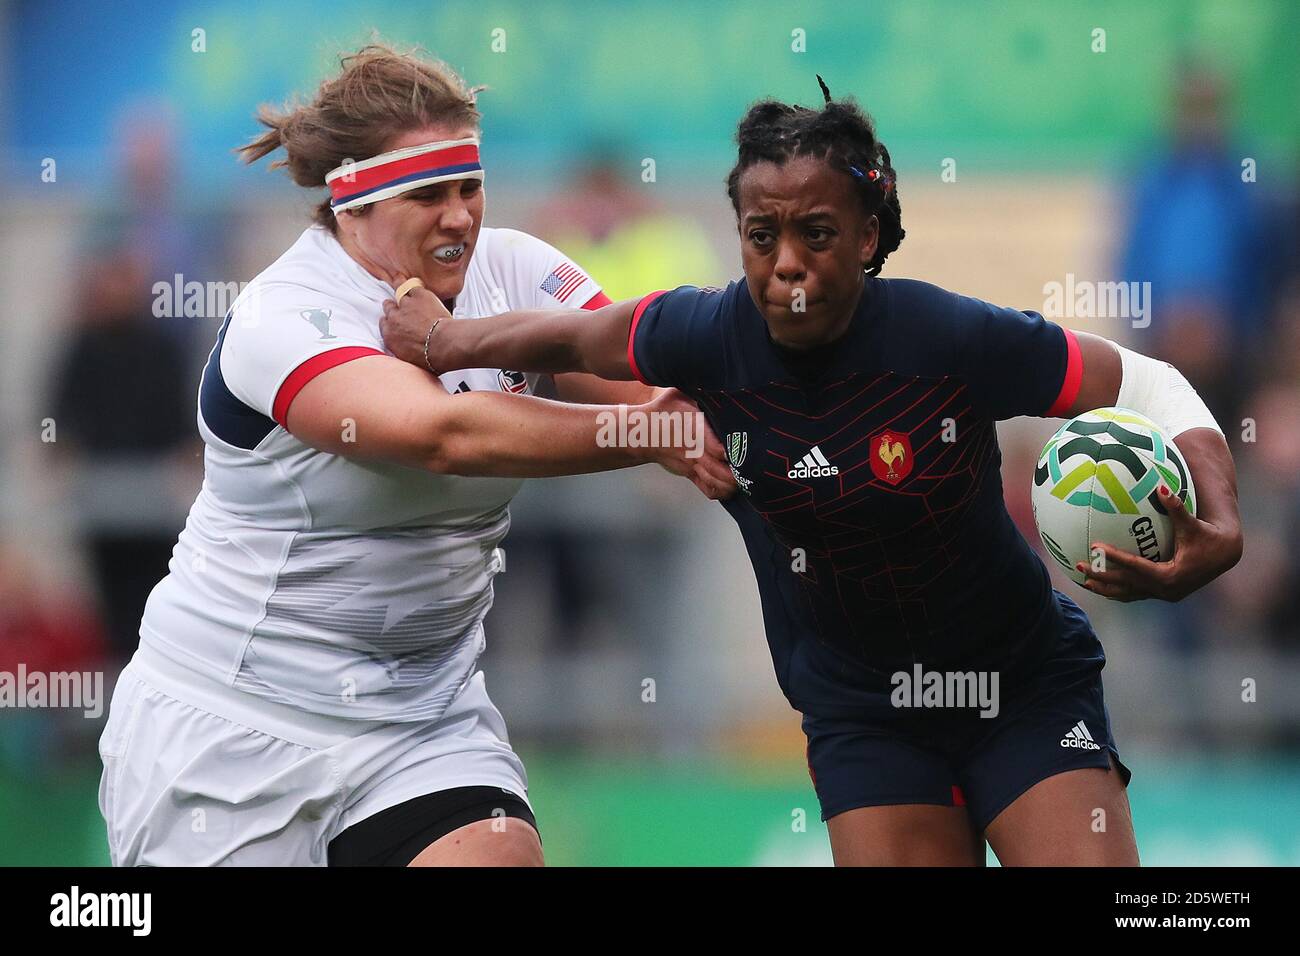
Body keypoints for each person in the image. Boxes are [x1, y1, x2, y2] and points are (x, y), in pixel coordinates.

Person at [380, 81, 1245, 866]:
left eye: (817, 233)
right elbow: (567, 338)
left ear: (869, 236)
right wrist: (442, 338)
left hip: (1022, 687)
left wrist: (1223, 518)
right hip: (863, 716)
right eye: (763, 236)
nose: (786, 261)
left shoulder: (948, 339)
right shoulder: (704, 336)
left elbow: (1143, 380)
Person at [96, 44, 734, 868]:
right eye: (427, 195)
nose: (461, 216)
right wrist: (657, 438)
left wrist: (716, 419)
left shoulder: (517, 269)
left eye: (469, 188)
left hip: (422, 721)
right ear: (351, 206)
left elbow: (640, 385)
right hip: (233, 725)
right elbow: (446, 436)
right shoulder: (284, 316)